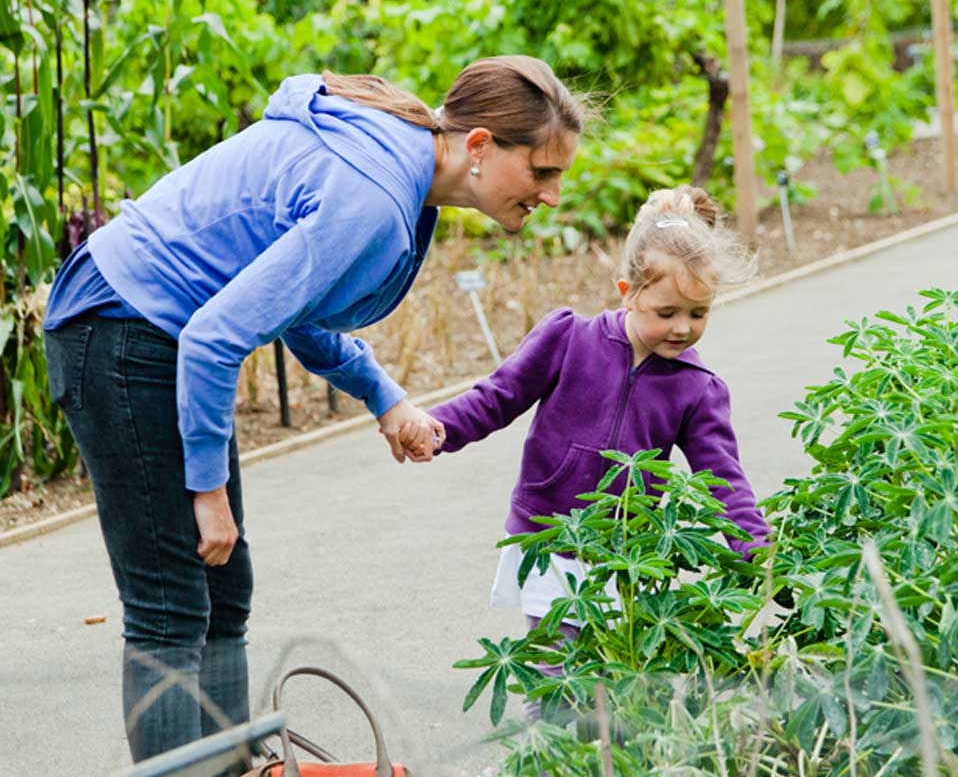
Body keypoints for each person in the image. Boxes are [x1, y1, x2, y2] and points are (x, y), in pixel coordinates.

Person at [40, 55, 584, 763]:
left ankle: (236, 767)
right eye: (542, 173)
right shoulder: (376, 196)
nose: (552, 196)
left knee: (224, 587)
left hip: (148, 330)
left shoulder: (401, 171)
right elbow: (214, 336)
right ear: (479, 146)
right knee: (172, 603)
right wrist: (206, 490)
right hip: (121, 328)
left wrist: (383, 397)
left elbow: (290, 302)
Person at [402, 185, 769, 655]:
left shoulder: (697, 387)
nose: (683, 327)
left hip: (627, 553)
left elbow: (722, 479)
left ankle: (601, 732)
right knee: (556, 662)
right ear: (628, 293)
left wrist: (755, 548)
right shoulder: (569, 339)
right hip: (548, 534)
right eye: (667, 312)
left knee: (614, 669)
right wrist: (439, 429)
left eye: (699, 313)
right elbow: (498, 397)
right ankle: (550, 732)